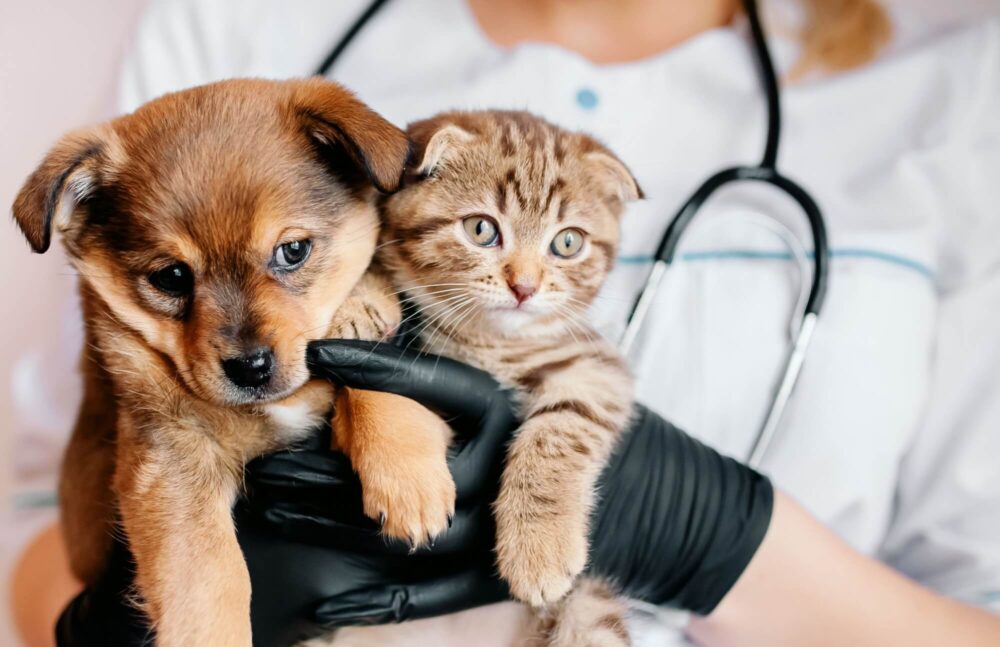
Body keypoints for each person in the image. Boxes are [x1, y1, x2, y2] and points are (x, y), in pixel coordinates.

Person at [12, 0, 1000, 645]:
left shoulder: (951, 86)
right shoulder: (241, 28)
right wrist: (112, 617)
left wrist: (711, 535)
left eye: (289, 255)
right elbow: (36, 500)